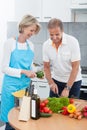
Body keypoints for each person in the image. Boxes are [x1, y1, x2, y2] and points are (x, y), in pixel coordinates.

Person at [0, 14, 40, 130]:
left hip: (24, 88)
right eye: (31, 30)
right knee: (10, 121)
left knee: (22, 119)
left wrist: (36, 71)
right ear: (23, 27)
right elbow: (4, 68)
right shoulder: (10, 43)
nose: (32, 33)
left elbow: (30, 65)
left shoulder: (31, 45)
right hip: (11, 88)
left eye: (34, 31)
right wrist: (23, 71)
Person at [43, 18, 82, 99]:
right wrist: (51, 83)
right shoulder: (46, 45)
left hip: (73, 82)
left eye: (57, 34)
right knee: (52, 109)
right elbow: (46, 67)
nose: (54, 37)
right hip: (56, 81)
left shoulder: (72, 42)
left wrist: (67, 88)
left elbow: (75, 67)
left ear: (62, 31)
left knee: (71, 109)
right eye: (51, 35)